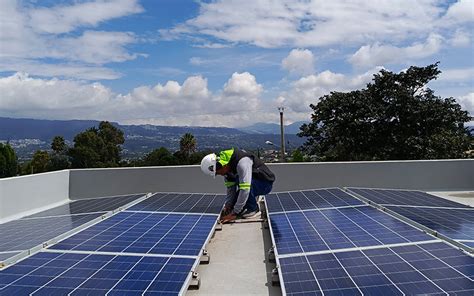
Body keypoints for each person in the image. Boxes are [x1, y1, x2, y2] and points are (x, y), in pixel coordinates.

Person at [200, 148, 275, 223]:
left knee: (244, 187)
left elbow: (245, 189)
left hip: (265, 184)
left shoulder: (242, 162)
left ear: (220, 165)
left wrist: (234, 213)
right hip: (251, 184)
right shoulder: (227, 170)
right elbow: (230, 189)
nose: (220, 174)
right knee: (235, 202)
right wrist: (228, 205)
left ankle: (254, 209)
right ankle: (252, 198)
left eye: (217, 172)